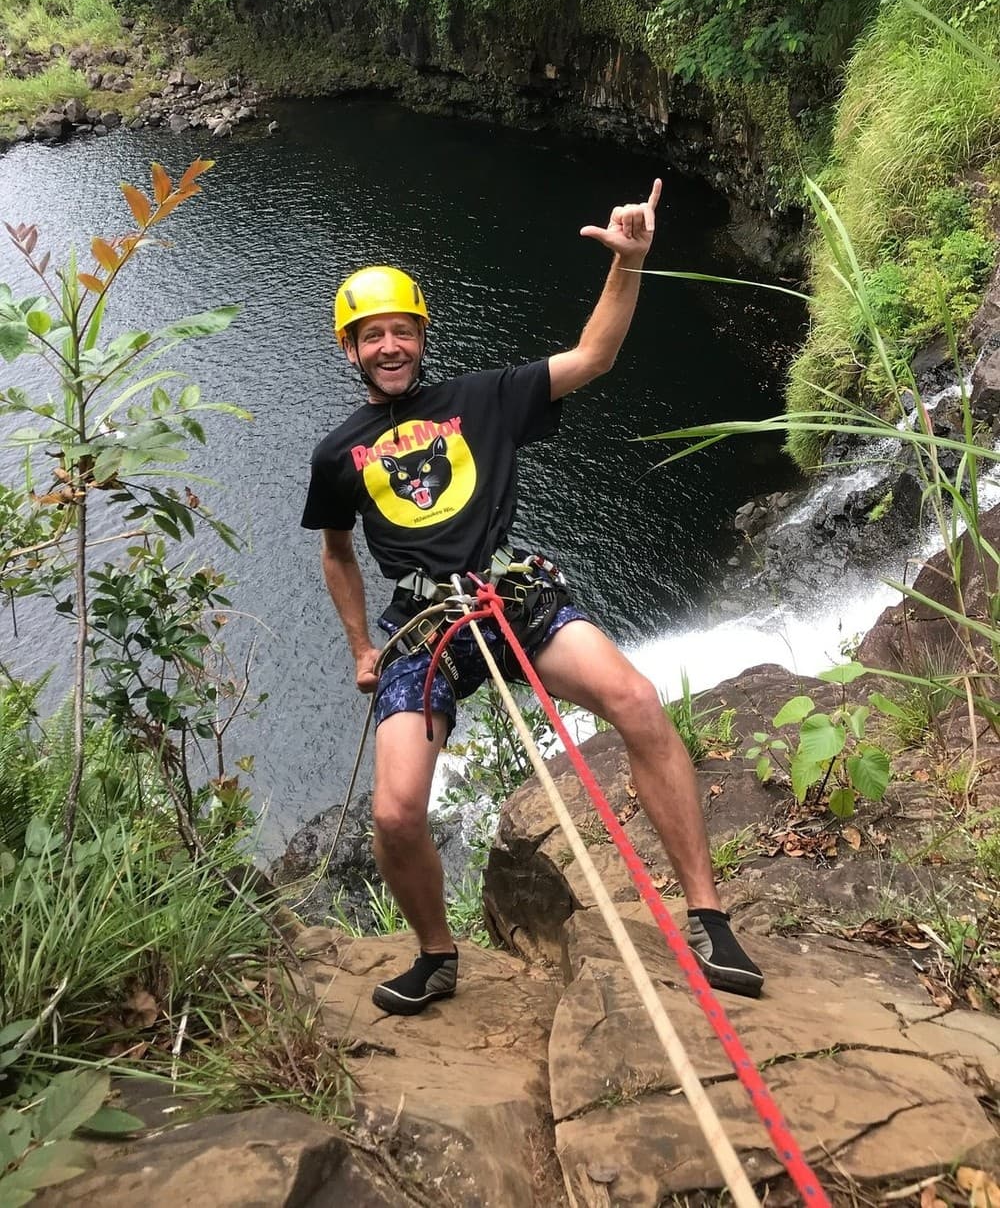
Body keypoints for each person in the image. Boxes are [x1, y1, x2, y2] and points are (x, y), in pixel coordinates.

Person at [301, 179, 764, 1015]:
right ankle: (437, 956)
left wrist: (629, 265)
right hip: (425, 626)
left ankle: (709, 917)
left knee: (637, 700)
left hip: (512, 594)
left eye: (403, 329)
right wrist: (361, 647)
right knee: (398, 811)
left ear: (421, 336)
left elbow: (593, 358)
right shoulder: (338, 454)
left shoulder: (483, 396)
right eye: (372, 336)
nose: (390, 345)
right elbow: (337, 552)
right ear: (350, 350)